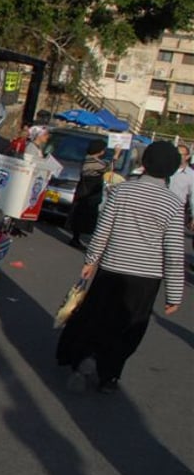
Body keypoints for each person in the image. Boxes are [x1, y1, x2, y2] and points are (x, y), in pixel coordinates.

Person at [56, 141, 185, 394]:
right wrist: (174, 294)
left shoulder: (122, 191)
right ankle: (109, 374)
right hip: (146, 278)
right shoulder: (172, 204)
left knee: (97, 316)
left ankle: (86, 354)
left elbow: (102, 230)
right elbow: (173, 252)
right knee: (128, 326)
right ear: (171, 170)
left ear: (144, 163)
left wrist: (91, 261)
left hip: (112, 267)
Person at [67, 139, 108, 249]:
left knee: (81, 215)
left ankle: (76, 238)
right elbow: (107, 167)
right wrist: (117, 154)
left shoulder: (88, 160)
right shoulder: (93, 163)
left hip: (84, 192)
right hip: (88, 194)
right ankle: (76, 239)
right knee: (84, 216)